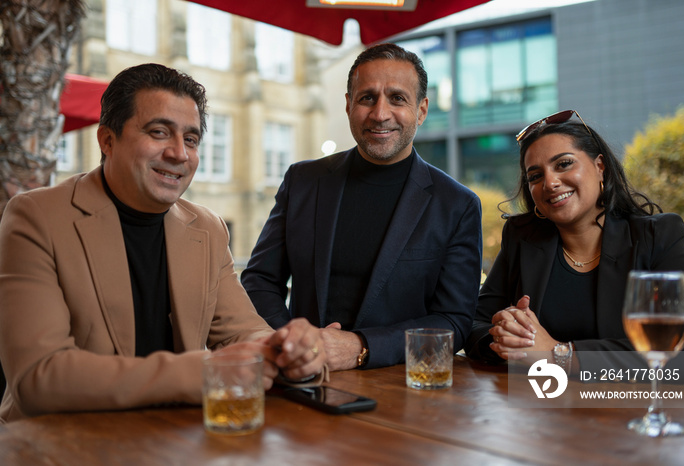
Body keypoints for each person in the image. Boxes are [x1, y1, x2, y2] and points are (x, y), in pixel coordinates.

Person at [0, 63, 327, 423]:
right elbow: (38, 378)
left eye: (191, 139)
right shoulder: (36, 217)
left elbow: (243, 334)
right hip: (62, 442)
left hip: (176, 438)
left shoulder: (208, 227)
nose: (179, 154)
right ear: (107, 140)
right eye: (159, 132)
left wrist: (289, 351)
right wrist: (201, 373)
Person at [241, 43, 482, 371]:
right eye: (367, 97)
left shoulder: (457, 204)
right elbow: (259, 279)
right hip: (299, 377)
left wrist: (361, 346)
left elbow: (454, 322)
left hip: (400, 388)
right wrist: (293, 342)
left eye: (397, 98)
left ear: (422, 110)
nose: (380, 113)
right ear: (348, 105)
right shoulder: (303, 180)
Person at [465, 109, 684, 371]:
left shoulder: (659, 237)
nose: (550, 183)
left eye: (564, 164)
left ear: (600, 167)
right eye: (535, 176)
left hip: (628, 404)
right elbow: (474, 323)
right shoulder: (522, 237)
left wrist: (560, 354)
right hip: (540, 402)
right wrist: (507, 338)